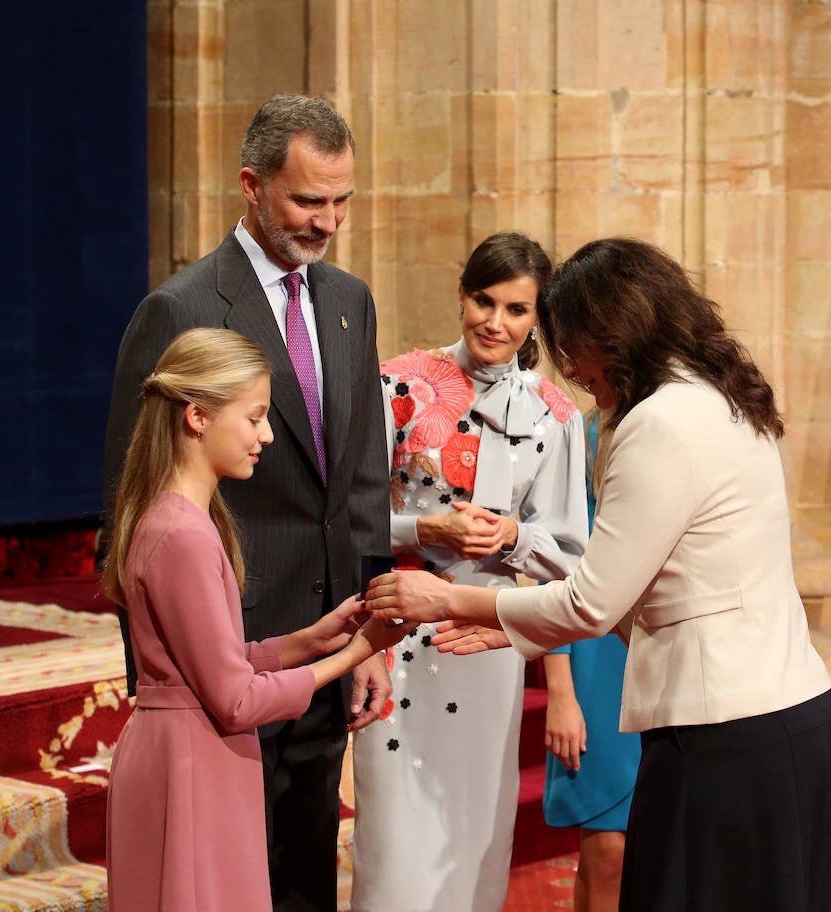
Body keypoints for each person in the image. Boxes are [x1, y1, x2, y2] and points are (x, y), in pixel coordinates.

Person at [365, 237, 831, 911]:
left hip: (727, 742)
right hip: (793, 722)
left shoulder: (657, 422)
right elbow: (669, 594)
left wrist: (451, 598)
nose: (569, 367)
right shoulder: (720, 397)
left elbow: (593, 602)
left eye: (569, 342)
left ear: (615, 330)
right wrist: (516, 630)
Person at [101, 94, 391, 912]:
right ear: (251, 186)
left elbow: (363, 479)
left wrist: (366, 629)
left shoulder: (349, 300)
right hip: (217, 672)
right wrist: (169, 689)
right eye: (308, 200)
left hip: (312, 652)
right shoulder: (180, 308)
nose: (328, 221)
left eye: (342, 201)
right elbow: (127, 506)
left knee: (303, 877)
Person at [101, 328, 411, 912]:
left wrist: (309, 641)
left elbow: (208, 665)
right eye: (255, 417)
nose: (266, 435)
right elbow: (236, 700)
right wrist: (351, 655)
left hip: (187, 755)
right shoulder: (183, 535)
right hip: (191, 766)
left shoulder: (176, 518)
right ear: (197, 417)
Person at [348, 231, 589, 912]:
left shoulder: (556, 413)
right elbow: (348, 518)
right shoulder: (397, 383)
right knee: (393, 844)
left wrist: (511, 536)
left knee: (475, 837)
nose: (495, 321)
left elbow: (570, 552)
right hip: (390, 632)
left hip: (487, 640)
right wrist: (425, 527)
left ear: (536, 319)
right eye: (484, 300)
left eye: (516, 310)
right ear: (462, 293)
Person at [540, 405, 641, 912]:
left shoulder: (692, 416)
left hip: (671, 648)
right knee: (608, 850)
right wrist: (561, 692)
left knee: (667, 848)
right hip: (599, 655)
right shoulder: (583, 431)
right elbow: (557, 563)